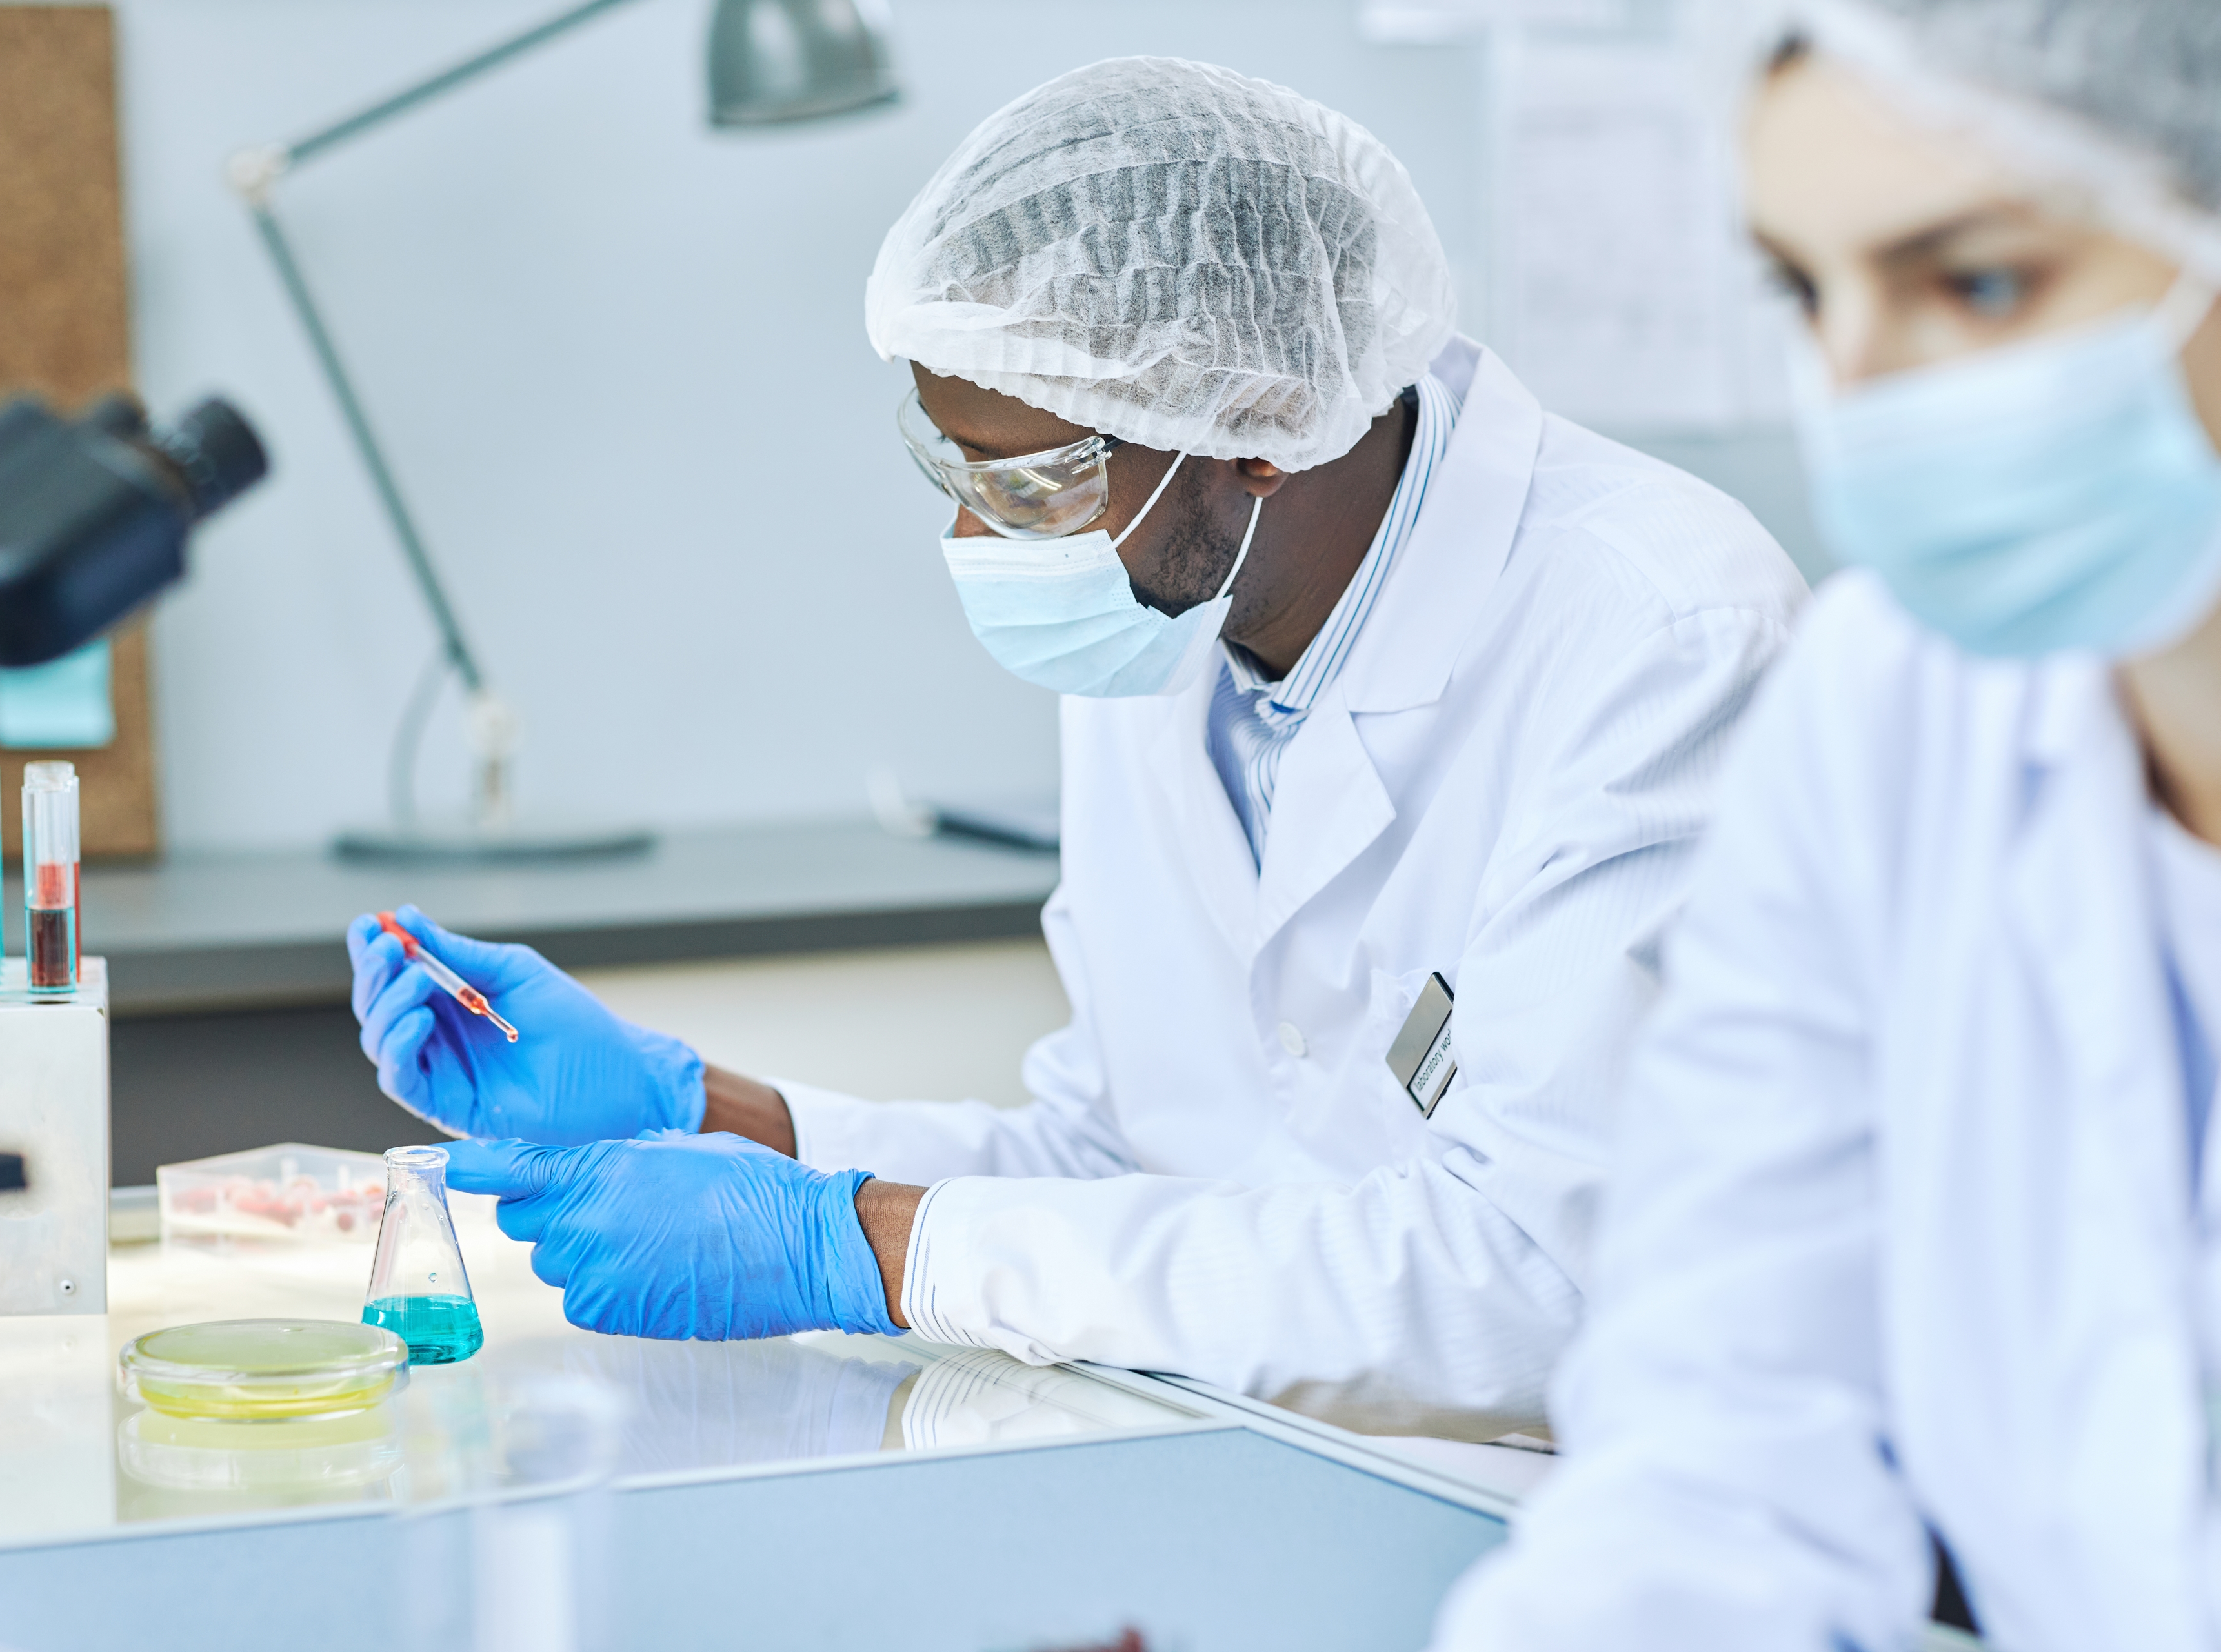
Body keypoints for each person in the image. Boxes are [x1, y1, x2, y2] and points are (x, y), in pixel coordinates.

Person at [348, 56, 1804, 1437]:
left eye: (1034, 484)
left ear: (1261, 421)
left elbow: (1530, 1285)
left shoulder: (1660, 639)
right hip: (1249, 1463)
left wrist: (859, 1243)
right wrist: (713, 1113)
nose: (977, 543)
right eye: (955, 473)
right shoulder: (1177, 617)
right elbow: (1127, 1163)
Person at [1431, 3, 2221, 1646]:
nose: (1851, 383)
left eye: (1977, 281)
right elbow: (1730, 1416)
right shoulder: (1891, 705)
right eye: (1807, 288)